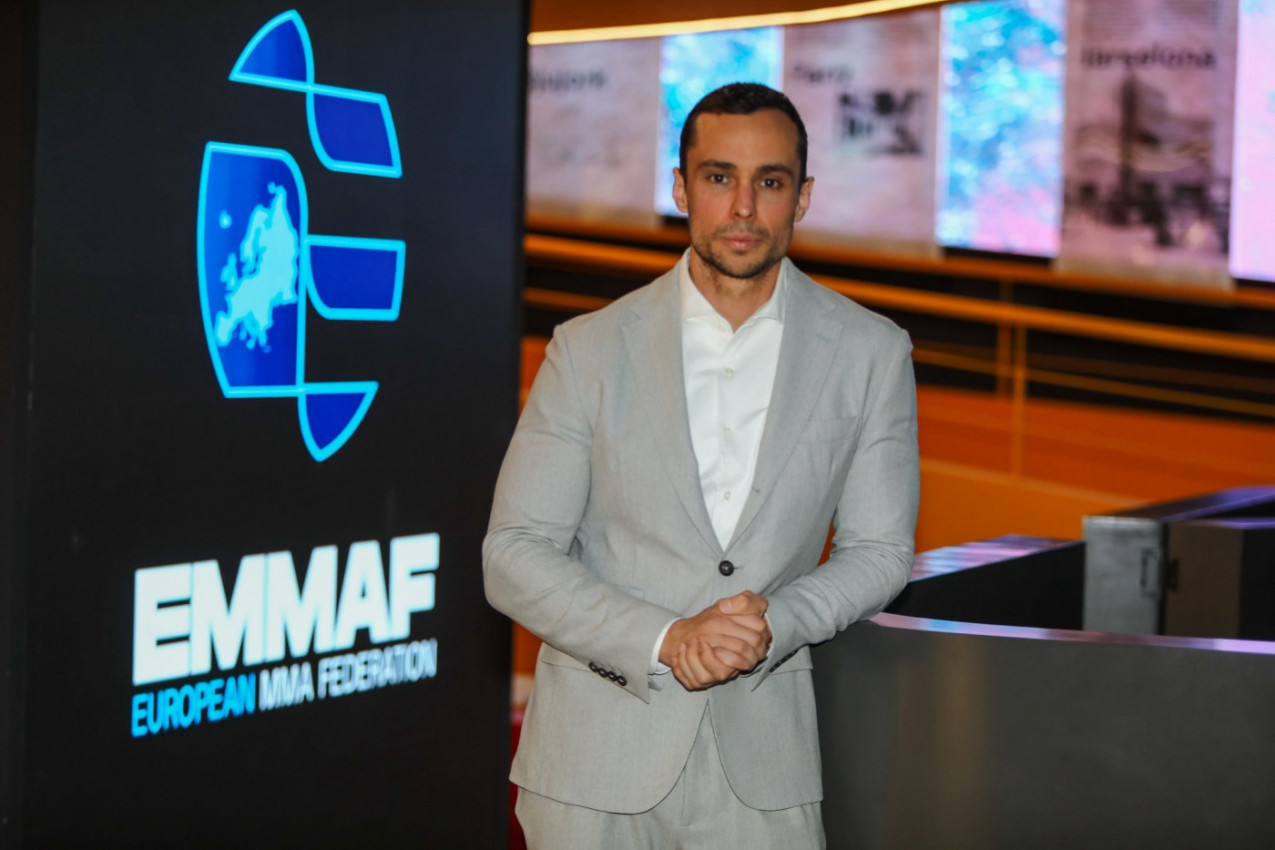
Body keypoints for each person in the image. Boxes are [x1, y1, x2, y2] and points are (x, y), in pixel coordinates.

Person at [484, 82, 919, 848]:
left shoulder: (870, 351)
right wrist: (667, 637)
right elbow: (514, 554)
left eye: (770, 182)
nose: (743, 207)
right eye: (719, 177)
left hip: (764, 767)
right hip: (592, 763)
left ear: (802, 196)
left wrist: (771, 624)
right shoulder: (588, 348)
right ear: (681, 188)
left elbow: (879, 550)